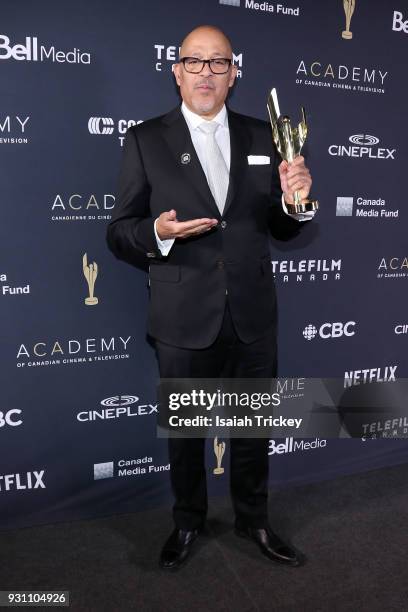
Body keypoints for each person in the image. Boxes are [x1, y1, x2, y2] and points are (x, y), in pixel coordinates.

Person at [106, 25, 315, 570]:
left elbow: (280, 224)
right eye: (194, 62)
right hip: (182, 316)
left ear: (233, 73)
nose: (205, 72)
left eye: (217, 62)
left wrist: (296, 204)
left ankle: (255, 520)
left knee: (253, 428)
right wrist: (159, 234)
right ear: (176, 72)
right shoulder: (146, 139)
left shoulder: (264, 136)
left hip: (251, 313)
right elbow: (118, 230)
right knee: (186, 433)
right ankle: (188, 522)